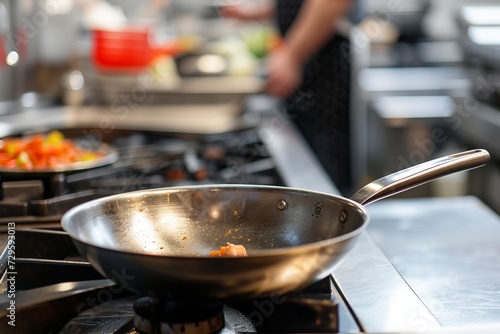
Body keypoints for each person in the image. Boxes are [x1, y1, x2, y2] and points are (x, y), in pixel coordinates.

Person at [221, 0, 357, 194]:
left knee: (325, 177)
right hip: (306, 70)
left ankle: (336, 220)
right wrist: (253, 15)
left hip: (323, 72)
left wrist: (291, 55)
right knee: (303, 163)